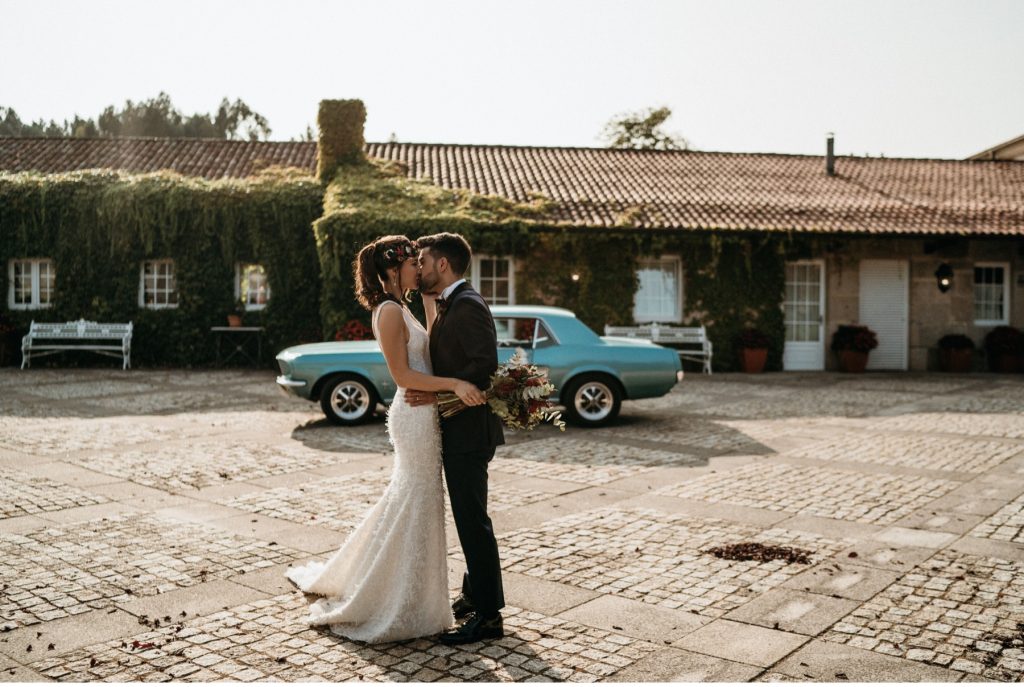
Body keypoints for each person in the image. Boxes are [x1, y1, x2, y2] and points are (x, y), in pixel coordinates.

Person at [284, 234, 485, 644]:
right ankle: (394, 598)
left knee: (416, 500)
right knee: (416, 497)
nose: (421, 268)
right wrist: (456, 384)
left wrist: (430, 299)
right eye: (414, 262)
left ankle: (413, 591)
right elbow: (402, 376)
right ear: (395, 269)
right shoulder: (389, 311)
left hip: (426, 412)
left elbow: (427, 347)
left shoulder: (404, 306)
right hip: (413, 415)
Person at [406, 232, 506, 645]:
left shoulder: (467, 306)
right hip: (458, 429)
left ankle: (489, 616)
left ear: (442, 264)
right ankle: (472, 593)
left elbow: (484, 372)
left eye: (423, 260)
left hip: (470, 433)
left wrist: (434, 393)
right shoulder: (450, 303)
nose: (419, 267)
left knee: (473, 522)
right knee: (468, 518)